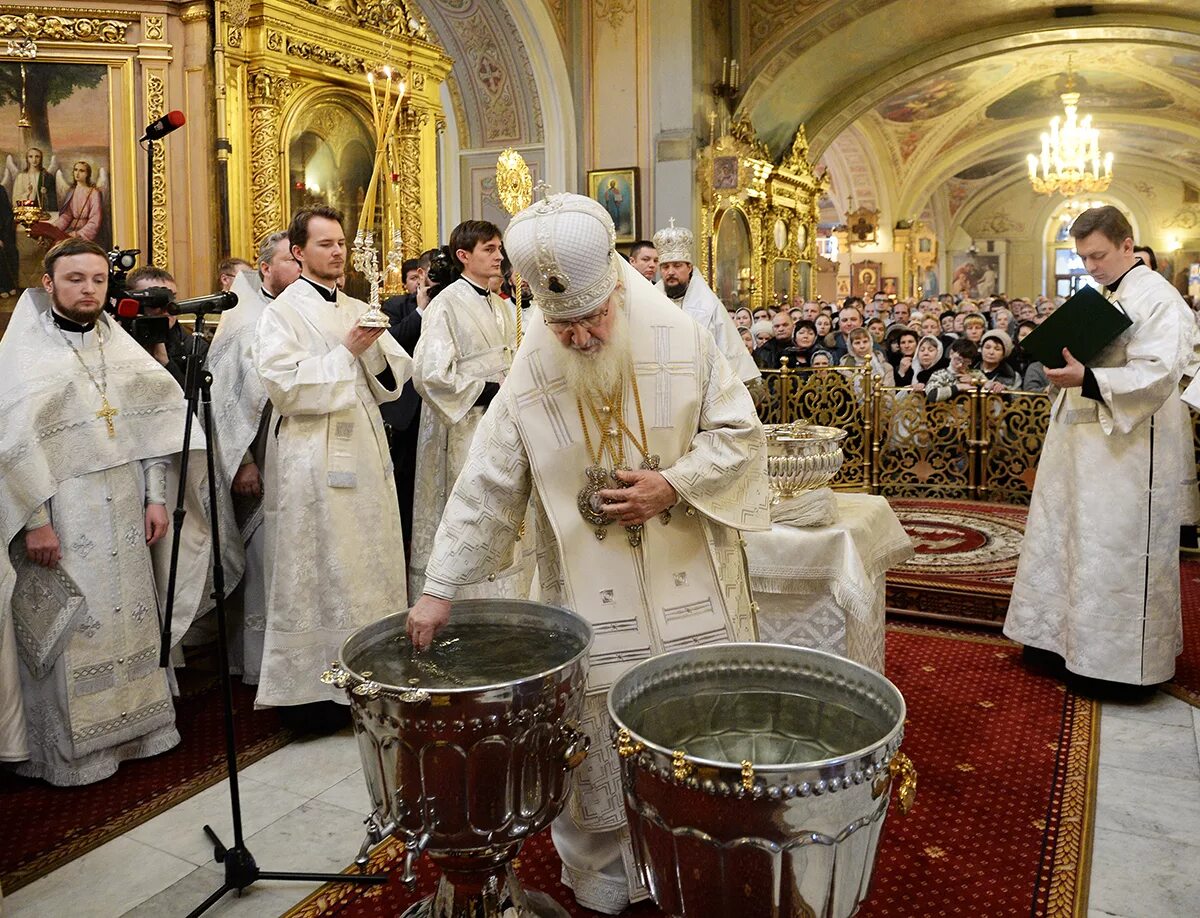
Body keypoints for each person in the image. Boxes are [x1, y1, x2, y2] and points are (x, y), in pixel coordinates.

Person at [405, 192, 769, 914]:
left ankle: (699, 857)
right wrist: (440, 584)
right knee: (596, 741)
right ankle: (610, 881)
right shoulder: (532, 373)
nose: (575, 338)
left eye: (590, 319)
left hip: (692, 583)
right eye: (559, 323)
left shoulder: (685, 341)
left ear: (615, 290)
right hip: (590, 598)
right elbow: (488, 481)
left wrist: (673, 483)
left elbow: (739, 438)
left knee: (698, 731)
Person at [0, 238, 210, 785]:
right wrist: (36, 522)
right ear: (48, 285)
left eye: (97, 279)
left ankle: (142, 730)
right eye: (74, 279)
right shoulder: (24, 354)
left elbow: (149, 432)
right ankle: (76, 756)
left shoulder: (119, 345)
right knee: (74, 626)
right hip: (62, 512)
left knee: (131, 617)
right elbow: (13, 447)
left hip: (123, 507)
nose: (88, 288)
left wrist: (157, 497)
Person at [1006, 206, 1200, 688]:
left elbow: (1159, 372)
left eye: (1098, 256)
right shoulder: (1105, 292)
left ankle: (1110, 667)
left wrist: (1087, 377)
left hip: (1127, 456)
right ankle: (1057, 642)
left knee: (1113, 548)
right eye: (1082, 258)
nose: (1090, 267)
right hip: (1083, 446)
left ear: (1127, 245)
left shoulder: (1159, 298)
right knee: (1068, 538)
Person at [252, 205, 412, 719]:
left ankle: (377, 676)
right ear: (298, 253)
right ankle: (319, 694)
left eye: (341, 242)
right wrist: (347, 352)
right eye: (325, 244)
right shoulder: (280, 312)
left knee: (368, 557)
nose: (337, 251)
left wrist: (370, 351)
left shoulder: (355, 305)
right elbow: (286, 386)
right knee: (325, 561)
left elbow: (392, 382)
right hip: (313, 456)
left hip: (364, 448)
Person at [409, 220, 532, 602]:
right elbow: (429, 374)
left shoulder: (501, 304)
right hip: (465, 425)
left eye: (500, 249)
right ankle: (461, 597)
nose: (499, 256)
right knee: (471, 504)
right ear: (464, 256)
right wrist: (488, 390)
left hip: (502, 424)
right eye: (489, 249)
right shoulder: (446, 304)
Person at [205, 231, 300, 685]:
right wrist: (243, 460)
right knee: (264, 558)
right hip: (260, 452)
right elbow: (225, 399)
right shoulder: (242, 320)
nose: (299, 267)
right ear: (265, 268)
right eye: (290, 260)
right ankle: (260, 666)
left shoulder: (305, 310)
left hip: (301, 455)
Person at [653, 220, 760, 384]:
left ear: (689, 268)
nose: (670, 272)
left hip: (702, 384)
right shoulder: (652, 302)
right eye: (665, 267)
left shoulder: (709, 305)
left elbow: (727, 346)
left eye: (677, 265)